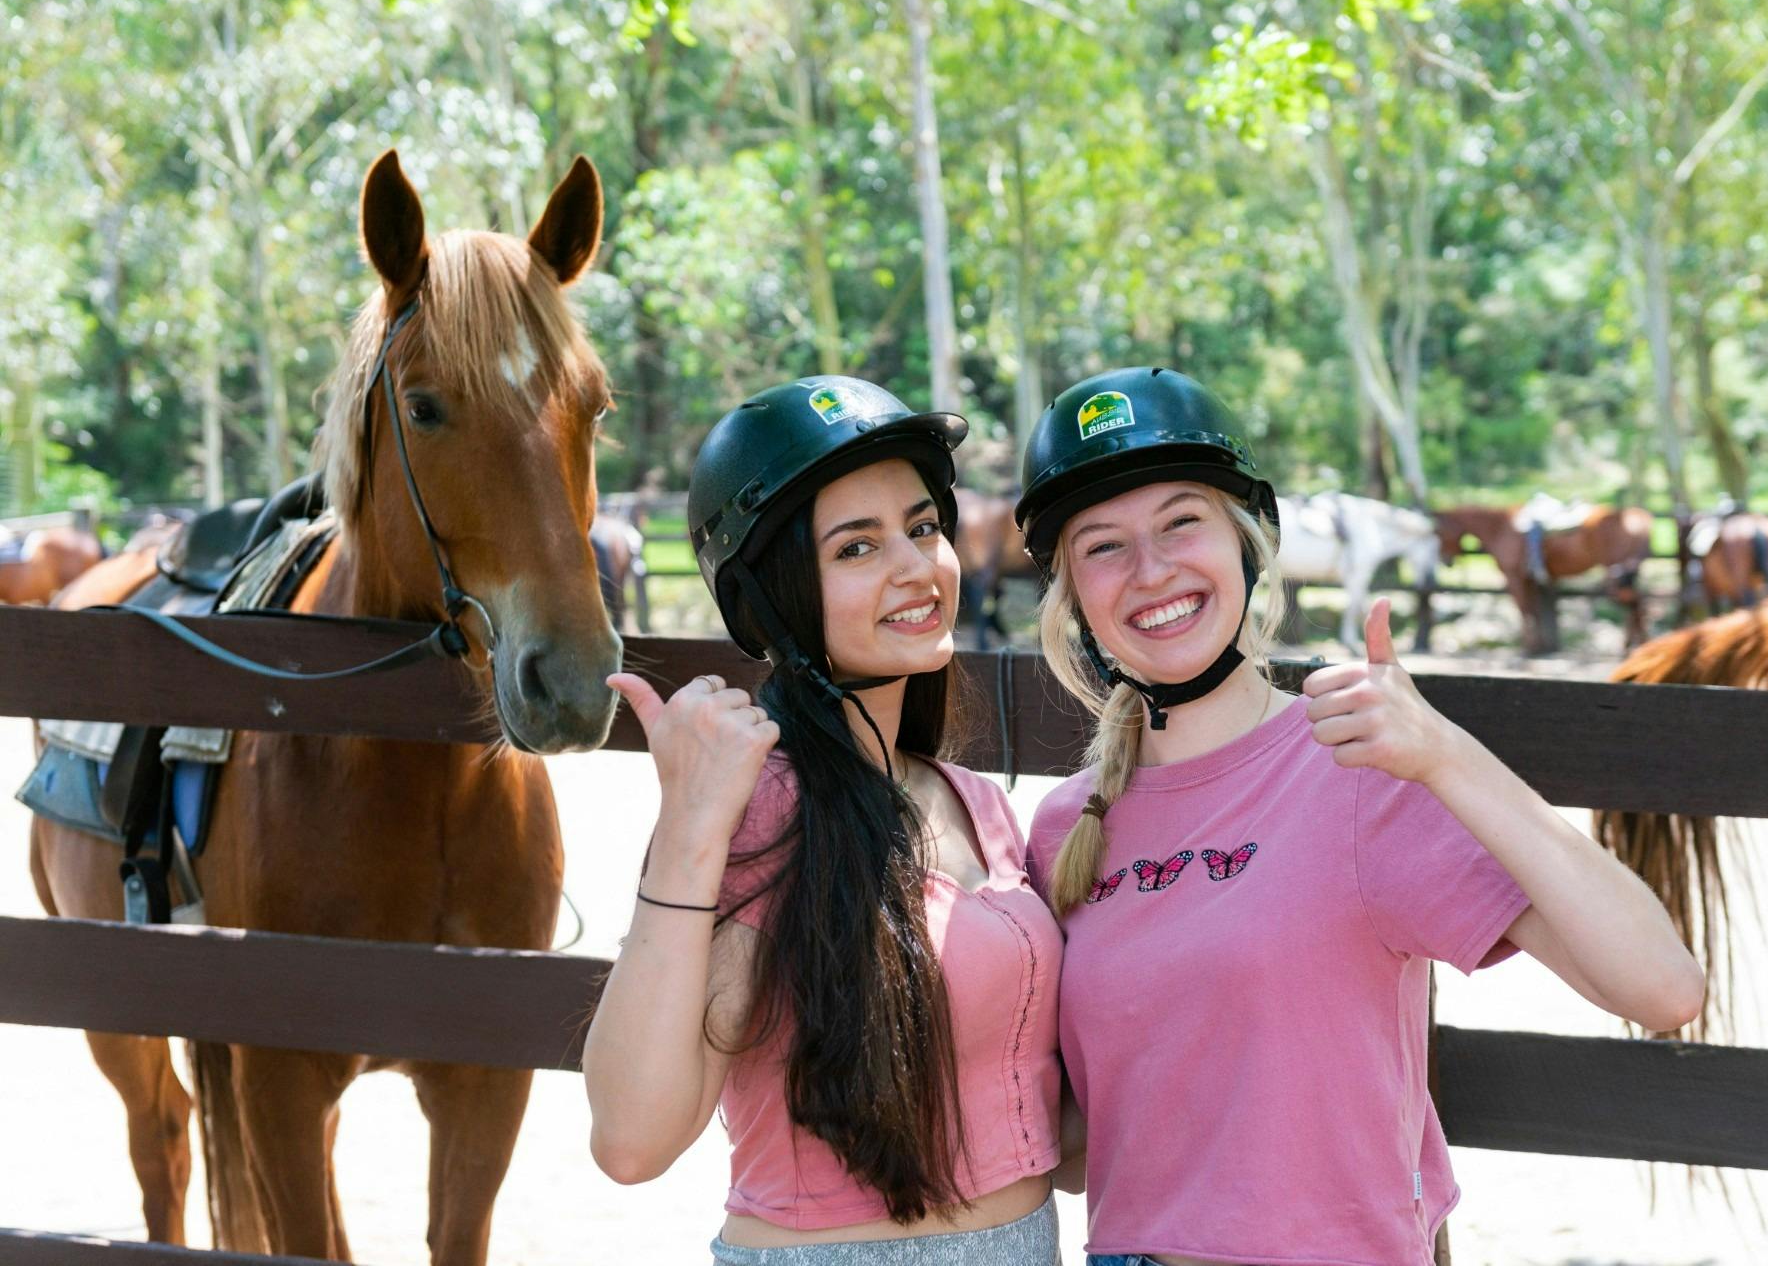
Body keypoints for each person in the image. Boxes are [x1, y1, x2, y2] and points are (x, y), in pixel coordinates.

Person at [1013, 366, 1705, 1266]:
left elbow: (1664, 988)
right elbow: (1077, 1142)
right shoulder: (1065, 827)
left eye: (1182, 521)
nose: (1152, 569)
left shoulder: (1361, 773)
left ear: (1249, 541)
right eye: (1104, 545)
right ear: (1072, 593)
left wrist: (1448, 754)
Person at [583, 376, 1065, 1265]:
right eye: (857, 547)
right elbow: (631, 1139)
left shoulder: (980, 803)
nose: (916, 566)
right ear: (773, 596)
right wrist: (689, 829)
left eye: (923, 527)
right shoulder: (758, 807)